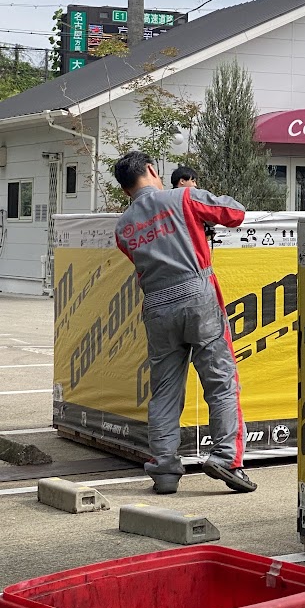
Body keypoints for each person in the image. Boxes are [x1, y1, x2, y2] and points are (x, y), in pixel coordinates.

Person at [112, 150, 256, 495]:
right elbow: (235, 213)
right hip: (197, 297)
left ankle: (164, 469)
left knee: (164, 390)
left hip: (156, 307)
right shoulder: (184, 197)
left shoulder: (123, 227)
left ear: (125, 189)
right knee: (221, 382)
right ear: (151, 169)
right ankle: (225, 458)